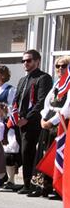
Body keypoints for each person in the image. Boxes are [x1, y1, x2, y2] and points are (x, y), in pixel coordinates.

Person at [15, 49, 53, 195]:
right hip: (20, 122)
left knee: (31, 152)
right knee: (24, 153)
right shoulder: (22, 80)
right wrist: (15, 116)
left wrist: (27, 118)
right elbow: (17, 100)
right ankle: (26, 183)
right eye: (23, 61)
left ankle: (35, 184)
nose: (25, 63)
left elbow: (41, 102)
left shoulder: (43, 78)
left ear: (37, 61)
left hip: (35, 122)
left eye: (29, 60)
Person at [35, 56, 70, 199]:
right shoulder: (57, 84)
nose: (60, 69)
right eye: (57, 66)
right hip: (49, 123)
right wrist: (44, 118)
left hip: (62, 125)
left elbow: (67, 108)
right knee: (45, 153)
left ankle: (59, 187)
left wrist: (53, 121)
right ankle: (45, 185)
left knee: (59, 156)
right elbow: (47, 103)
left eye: (64, 66)